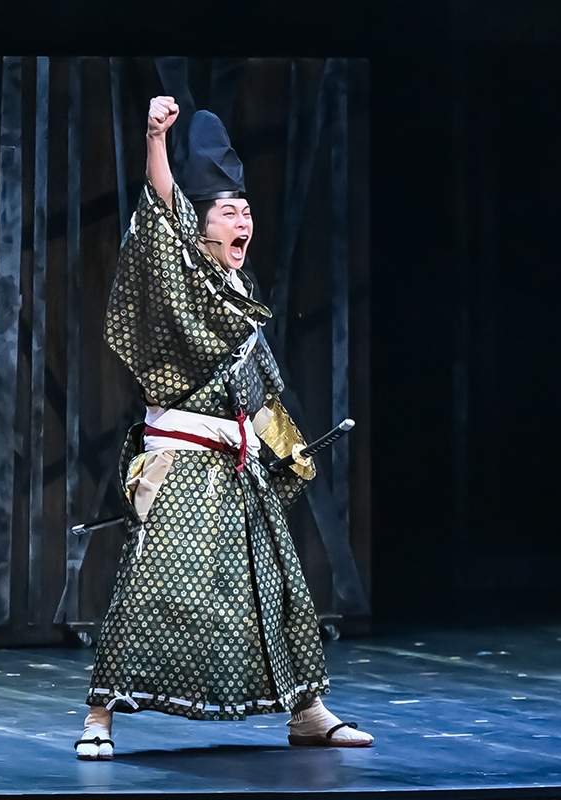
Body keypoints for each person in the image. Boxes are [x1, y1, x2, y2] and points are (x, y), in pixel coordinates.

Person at [75, 96, 373, 760]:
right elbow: (164, 209)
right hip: (180, 467)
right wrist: (156, 139)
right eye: (229, 213)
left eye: (248, 213)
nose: (244, 223)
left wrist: (289, 451)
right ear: (199, 227)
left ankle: (308, 713)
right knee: (152, 586)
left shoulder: (239, 295)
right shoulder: (178, 277)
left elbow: (258, 392)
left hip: (236, 468)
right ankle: (99, 717)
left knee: (280, 585)